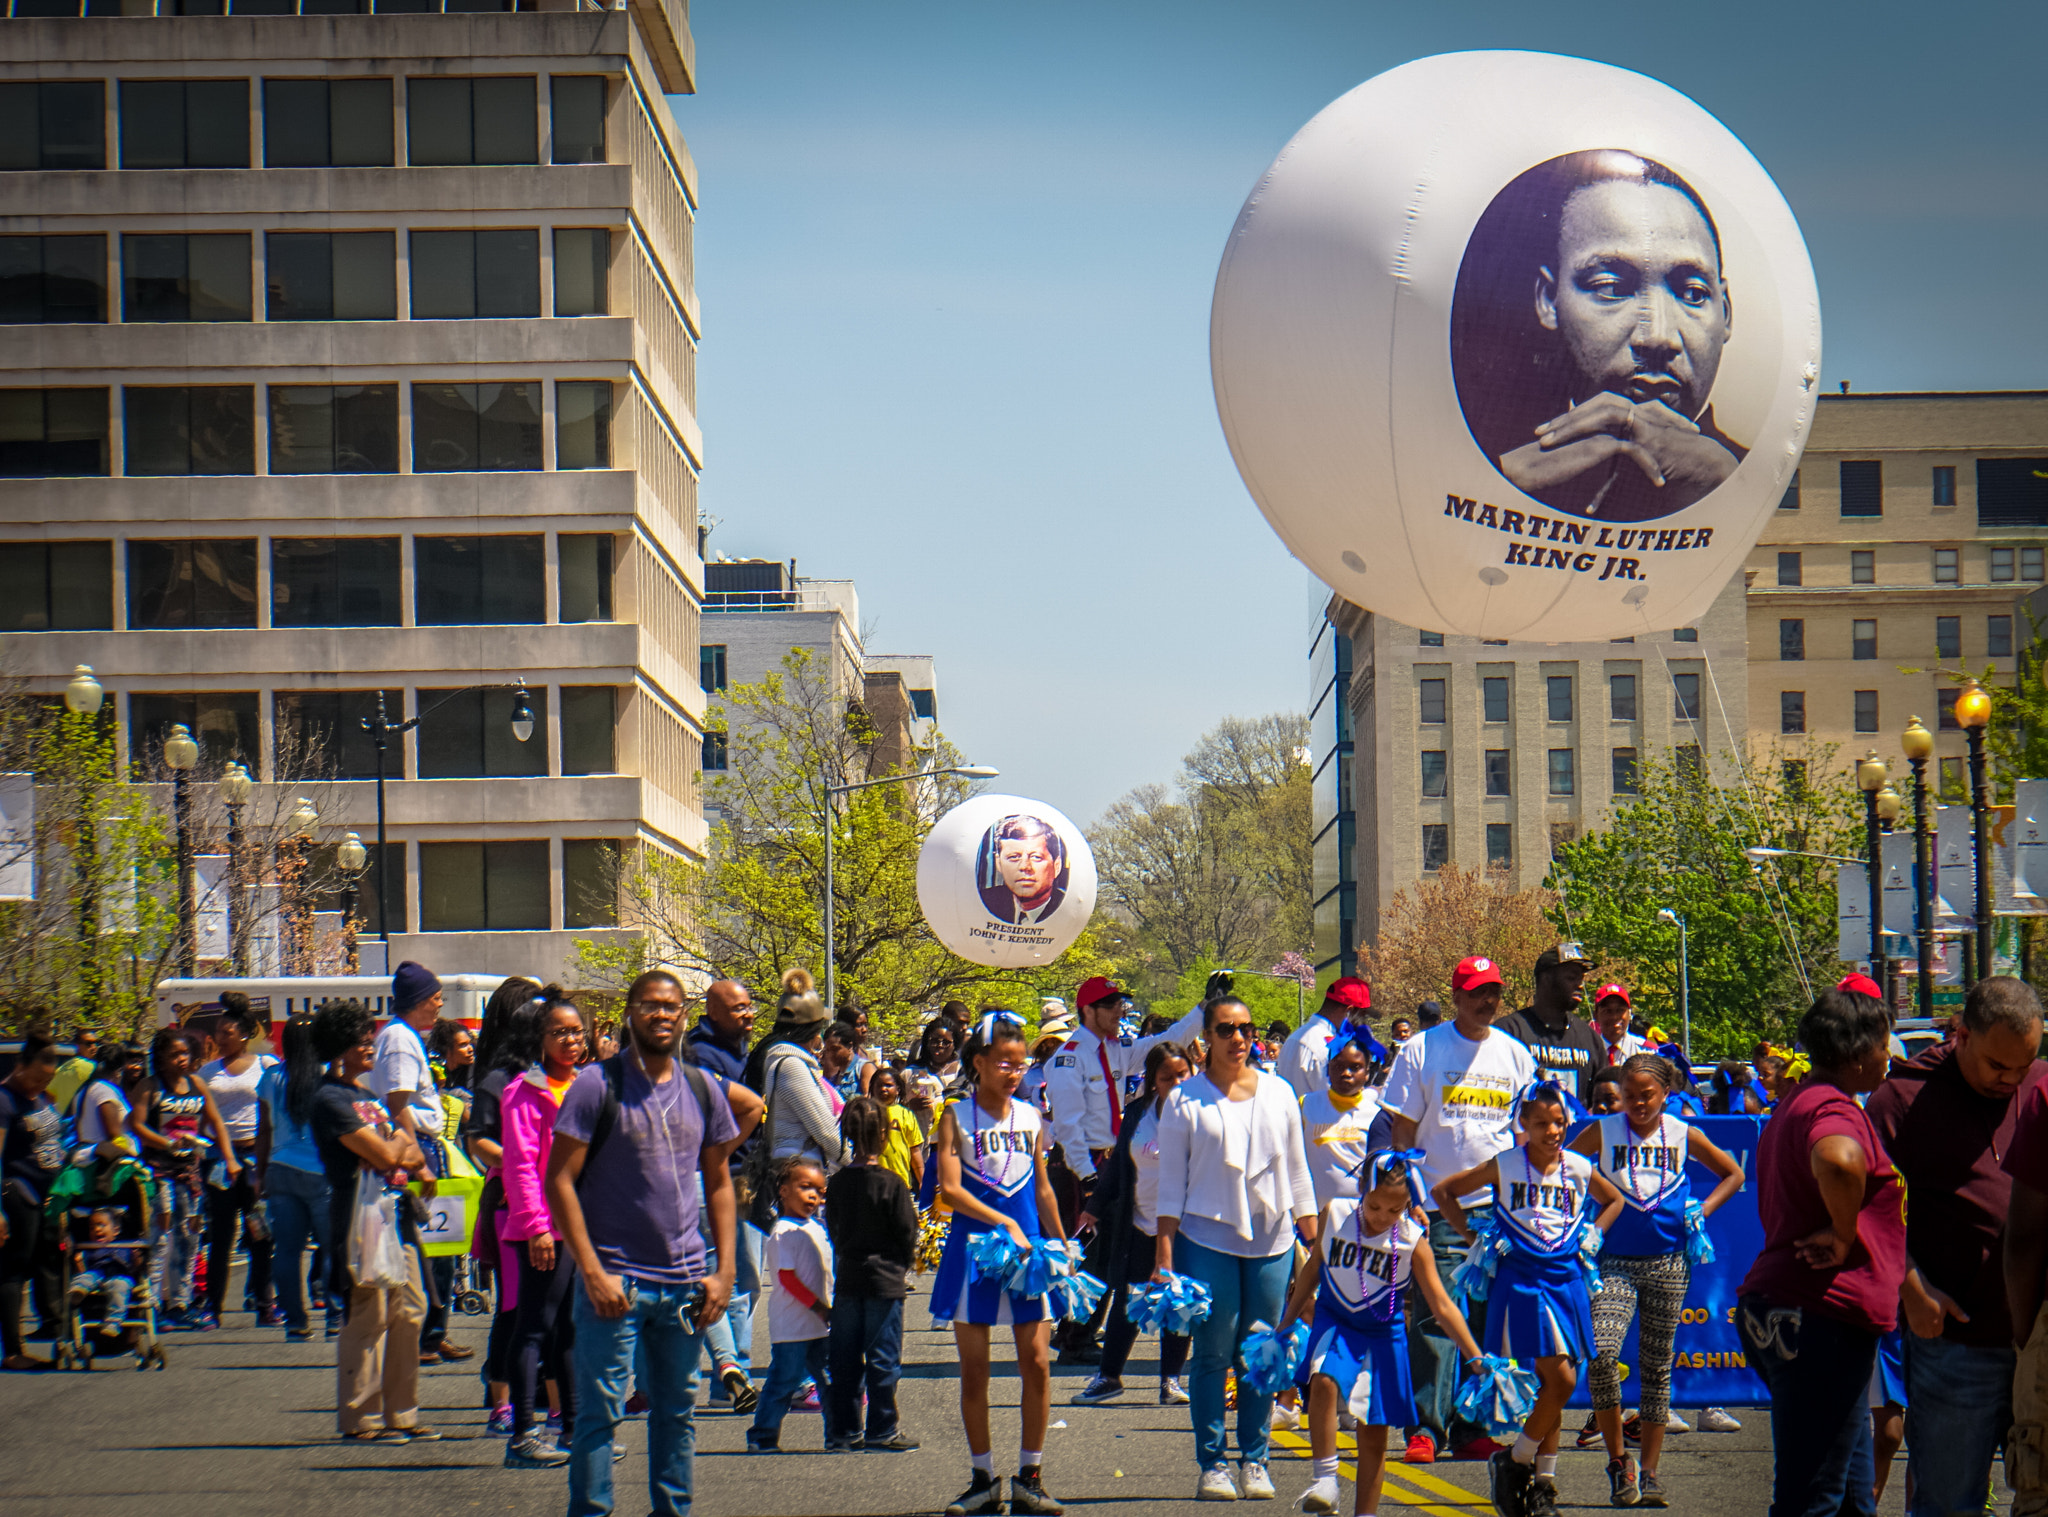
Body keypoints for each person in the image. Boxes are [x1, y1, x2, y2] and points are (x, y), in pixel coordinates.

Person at [544, 968, 741, 1517]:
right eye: (649, 1005)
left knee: (677, 1413)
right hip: (615, 1282)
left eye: (671, 1007)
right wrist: (591, 1271)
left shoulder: (701, 1087)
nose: (661, 1015)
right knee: (600, 1416)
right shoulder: (595, 1086)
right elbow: (557, 1179)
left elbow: (721, 1180)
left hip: (683, 1284)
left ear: (685, 1015)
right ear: (630, 1012)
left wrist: (724, 1271)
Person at [1468, 150, 1742, 522]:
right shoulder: (1481, 472)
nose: (1658, 337)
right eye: (1610, 287)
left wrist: (1734, 498)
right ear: (1549, 300)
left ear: (1724, 312)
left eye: (1693, 294)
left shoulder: (1752, 478)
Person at [1868, 975, 2046, 1517]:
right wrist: (1913, 1287)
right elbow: (1867, 1212)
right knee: (1948, 1502)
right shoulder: (1900, 1098)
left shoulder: (2037, 1087)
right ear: (1962, 1036)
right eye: (1998, 1065)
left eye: (2024, 1065)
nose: (2010, 1079)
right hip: (1955, 1340)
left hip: (2035, 1340)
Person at [1736, 986, 1905, 1517]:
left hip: (1797, 1311)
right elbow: (1839, 1160)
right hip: (1819, 1316)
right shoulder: (1832, 1108)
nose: (1890, 1055)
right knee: (1812, 1499)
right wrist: (1844, 1230)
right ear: (1857, 1052)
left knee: (1852, 1495)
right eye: (1884, 1044)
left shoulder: (1799, 1099)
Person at [1154, 993, 1319, 1502]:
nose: (1238, 1039)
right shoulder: (1185, 1100)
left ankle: (1255, 1460)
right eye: (1225, 1029)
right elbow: (1169, 1186)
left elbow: (1297, 1174)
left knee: (1261, 1351)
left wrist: (1312, 1244)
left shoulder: (1280, 1093)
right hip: (1205, 1238)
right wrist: (1164, 1256)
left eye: (1245, 1029)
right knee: (1213, 1352)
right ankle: (1212, 1464)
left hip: (1272, 1242)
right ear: (1205, 1039)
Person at [1436, 1083, 1624, 1517]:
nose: (1552, 1130)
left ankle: (1539, 1483)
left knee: (1552, 1388)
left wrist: (1595, 1233)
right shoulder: (1506, 1165)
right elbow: (1445, 1192)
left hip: (1567, 1280)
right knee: (1559, 1382)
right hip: (1522, 1281)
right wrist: (1475, 1239)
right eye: (1541, 1123)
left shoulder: (1578, 1167)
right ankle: (1521, 1464)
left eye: (1559, 1122)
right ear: (1522, 1124)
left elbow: (1613, 1200)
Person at [1568, 1053, 1745, 1507]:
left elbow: (1734, 1173)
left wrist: (1699, 1213)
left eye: (1646, 1095)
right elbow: (1564, 1169)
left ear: (1666, 1094)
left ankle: (1649, 1473)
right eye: (1629, 1096)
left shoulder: (1683, 1133)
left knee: (1656, 1366)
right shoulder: (1603, 1131)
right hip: (1612, 1263)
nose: (1637, 1104)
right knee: (1603, 1357)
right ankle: (1617, 1459)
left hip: (1669, 1262)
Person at [1382, 956, 1537, 1463]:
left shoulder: (1516, 1056)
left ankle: (1473, 1427)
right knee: (1434, 1319)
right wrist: (1411, 1200)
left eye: (1493, 991)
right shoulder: (1422, 1049)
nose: (1486, 1001)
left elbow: (1525, 1137)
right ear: (1456, 997)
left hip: (1500, 1212)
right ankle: (1427, 1429)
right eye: (1475, 993)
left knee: (1488, 1321)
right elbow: (1403, 1133)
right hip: (1437, 1208)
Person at [1278, 1151, 1485, 1516]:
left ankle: (1366, 1513)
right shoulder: (1336, 1214)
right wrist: (1286, 1322)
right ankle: (1325, 1477)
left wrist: (1475, 1356)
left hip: (1382, 1334)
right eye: (1374, 1207)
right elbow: (1313, 1268)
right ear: (1361, 1191)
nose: (1382, 1219)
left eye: (1395, 1211)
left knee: (1373, 1433)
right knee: (1323, 1378)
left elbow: (1442, 1304)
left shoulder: (1412, 1240)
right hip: (1336, 1320)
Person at [928, 1012, 1067, 1516]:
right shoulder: (955, 1117)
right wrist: (1001, 1222)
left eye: (1020, 1062)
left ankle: (1031, 1475)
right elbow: (949, 1190)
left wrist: (1061, 1243)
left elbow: (1043, 1187)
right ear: (979, 1063)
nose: (1013, 1071)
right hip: (975, 1252)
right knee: (976, 1369)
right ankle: (982, 1477)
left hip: (1027, 1252)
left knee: (1036, 1363)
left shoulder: (1030, 1118)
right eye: (1004, 1062)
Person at [1044, 975, 1202, 1362]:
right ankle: (1076, 1337)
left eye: (1121, 1003)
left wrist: (1205, 1008)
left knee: (1103, 1252)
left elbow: (1171, 1042)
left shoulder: (1115, 1048)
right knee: (1094, 1253)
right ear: (1088, 1010)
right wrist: (1089, 1176)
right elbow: (1068, 1126)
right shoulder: (1070, 1057)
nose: (1120, 1010)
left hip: (1111, 1160)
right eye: (1111, 1004)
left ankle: (1073, 1332)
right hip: (1085, 1163)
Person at [308, 998, 438, 1443]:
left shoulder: (367, 1097)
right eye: (362, 1042)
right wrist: (396, 1146)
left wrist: (397, 1148)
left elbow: (414, 1152)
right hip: (357, 1217)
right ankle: (360, 1417)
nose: (369, 1048)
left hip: (395, 1213)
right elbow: (390, 1151)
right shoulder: (328, 1098)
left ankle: (402, 1412)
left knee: (411, 1310)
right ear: (340, 1047)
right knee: (370, 1314)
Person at [1071, 1040, 1194, 1409]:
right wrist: (1094, 1206)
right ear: (1152, 1081)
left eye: (1182, 1075)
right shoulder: (1138, 1114)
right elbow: (1118, 1169)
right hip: (1138, 1220)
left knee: (1177, 1301)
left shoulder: (1202, 1114)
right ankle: (1108, 1377)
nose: (1175, 1082)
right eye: (1166, 1077)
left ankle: (1170, 1380)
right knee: (1128, 1299)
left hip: (1184, 1227)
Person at [500, 991, 590, 1469]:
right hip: (541, 1229)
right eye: (559, 1033)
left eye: (576, 1032)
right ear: (539, 1039)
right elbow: (519, 1167)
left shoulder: (587, 1085)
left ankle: (576, 1430)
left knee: (572, 1329)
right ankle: (522, 1435)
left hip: (579, 1227)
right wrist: (536, 1227)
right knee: (533, 1327)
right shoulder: (523, 1091)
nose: (571, 1041)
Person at [372, 959, 469, 1366]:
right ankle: (426, 1335)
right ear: (417, 1001)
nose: (440, 1005)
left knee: (442, 1247)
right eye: (434, 998)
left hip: (429, 1145)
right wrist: (417, 1162)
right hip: (420, 1148)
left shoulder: (407, 1036)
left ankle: (434, 1331)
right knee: (432, 1248)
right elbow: (397, 1104)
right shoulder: (397, 1038)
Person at [823, 1096, 920, 1452]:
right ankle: (883, 1428)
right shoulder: (892, 1183)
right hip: (886, 1279)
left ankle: (844, 1432)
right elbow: (906, 1231)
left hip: (849, 1275)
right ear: (884, 1133)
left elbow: (833, 1229)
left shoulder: (837, 1184)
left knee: (844, 1358)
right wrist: (903, 1263)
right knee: (883, 1357)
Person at [469, 975, 542, 1435]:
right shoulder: (498, 1078)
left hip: (551, 1201)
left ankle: (550, 1405)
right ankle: (503, 1400)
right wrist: (526, 1162)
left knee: (547, 1310)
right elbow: (480, 1140)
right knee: (513, 1307)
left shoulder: (556, 1075)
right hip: (510, 1201)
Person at [131, 1026, 236, 1330]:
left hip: (190, 1172)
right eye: (174, 1054)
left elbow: (215, 1122)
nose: (181, 1059)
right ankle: (149, 1303)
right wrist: (167, 1143)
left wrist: (229, 1158)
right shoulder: (150, 1087)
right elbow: (136, 1125)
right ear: (161, 1058)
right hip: (158, 1172)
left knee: (190, 1238)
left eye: (185, 1054)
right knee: (160, 1237)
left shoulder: (197, 1085)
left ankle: (179, 1302)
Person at [258, 1012, 340, 1341]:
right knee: (333, 1247)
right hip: (321, 1170)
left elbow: (263, 1130)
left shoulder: (270, 1077)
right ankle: (336, 1316)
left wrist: (259, 1174)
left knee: (287, 1250)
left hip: (280, 1170)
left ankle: (295, 1320)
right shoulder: (326, 1075)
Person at [199, 994, 280, 1325]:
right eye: (217, 1032)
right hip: (220, 1160)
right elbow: (201, 1118)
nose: (219, 1038)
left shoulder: (267, 1067)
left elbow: (276, 1113)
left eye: (226, 1032)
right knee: (221, 1236)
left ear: (245, 1034)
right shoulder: (206, 1072)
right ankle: (212, 1308)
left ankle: (264, 1302)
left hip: (256, 1158)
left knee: (260, 1232)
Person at [747, 1156, 835, 1452]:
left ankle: (838, 1435)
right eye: (805, 1187)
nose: (814, 1195)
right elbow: (787, 1279)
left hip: (818, 1327)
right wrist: (819, 1307)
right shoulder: (783, 1231)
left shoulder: (817, 1228)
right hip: (792, 1328)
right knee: (782, 1383)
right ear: (783, 1190)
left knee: (829, 1383)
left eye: (820, 1191)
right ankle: (763, 1435)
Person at [745, 969, 850, 1182]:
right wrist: (853, 1160)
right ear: (813, 1029)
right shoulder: (792, 1066)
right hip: (799, 1168)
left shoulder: (775, 1056)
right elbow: (824, 1131)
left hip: (791, 1165)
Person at [1, 1034, 66, 1370]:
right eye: (38, 1077)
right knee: (14, 1269)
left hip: (47, 1194)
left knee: (47, 1263)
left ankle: (58, 1332)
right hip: (17, 1192)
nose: (41, 1084)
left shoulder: (40, 1098)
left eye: (47, 1079)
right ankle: (12, 1350)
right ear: (20, 1067)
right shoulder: (4, 1100)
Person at [1495, 943, 1607, 1106]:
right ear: (1546, 978)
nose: (1580, 985)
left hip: (1576, 1131)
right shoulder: (1508, 1033)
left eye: (1581, 978)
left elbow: (1604, 1100)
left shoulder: (1590, 1039)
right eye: (1571, 977)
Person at [1300, 1032, 1385, 1212]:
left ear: (1367, 1073)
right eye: (1338, 1066)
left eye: (1355, 1067)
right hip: (1313, 1213)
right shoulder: (1306, 1104)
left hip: (1356, 1216)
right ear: (1328, 1069)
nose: (1346, 1073)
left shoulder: (1376, 1115)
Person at [1277, 977, 1375, 1100]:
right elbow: (1336, 1099)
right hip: (1318, 1118)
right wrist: (1373, 1092)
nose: (1362, 1022)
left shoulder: (1294, 1037)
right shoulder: (1329, 1046)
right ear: (1349, 1011)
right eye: (1362, 1015)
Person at [977, 813, 1068, 925]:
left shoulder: (1068, 908)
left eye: (1036, 857)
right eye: (1014, 857)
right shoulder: (981, 902)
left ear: (1056, 866)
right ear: (998, 863)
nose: (1025, 867)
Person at [68, 1206, 143, 1342]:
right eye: (92, 1227)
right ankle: (78, 1291)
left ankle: (113, 1322)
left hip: (119, 1274)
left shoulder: (124, 1247)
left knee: (119, 1286)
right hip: (96, 1274)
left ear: (115, 1230)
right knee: (85, 1277)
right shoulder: (90, 1248)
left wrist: (137, 1259)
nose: (97, 1230)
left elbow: (134, 1270)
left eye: (101, 1225)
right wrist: (78, 1262)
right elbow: (82, 1270)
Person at [867, 1066, 927, 1199]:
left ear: (898, 1089)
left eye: (888, 1085)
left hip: (900, 1183)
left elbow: (915, 1151)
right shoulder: (867, 1113)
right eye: (879, 1085)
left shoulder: (906, 1114)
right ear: (872, 1088)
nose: (883, 1089)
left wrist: (922, 1179)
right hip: (871, 1183)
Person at [905, 1017, 964, 1135]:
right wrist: (909, 1105)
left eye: (946, 1042)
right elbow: (893, 1107)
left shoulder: (963, 1072)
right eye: (934, 1041)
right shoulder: (911, 1072)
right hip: (919, 1138)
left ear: (955, 1044)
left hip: (954, 1136)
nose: (940, 1045)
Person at [1590, 986, 1649, 1071]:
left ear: (1629, 1014)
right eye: (1607, 1011)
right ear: (1596, 1016)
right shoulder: (1587, 1052)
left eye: (1620, 1010)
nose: (1614, 1017)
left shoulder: (1646, 1052)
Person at [45, 1027, 97, 1118]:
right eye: (89, 1044)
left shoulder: (62, 1069)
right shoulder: (94, 1068)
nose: (93, 1047)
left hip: (65, 1124)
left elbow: (49, 1096)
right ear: (78, 1045)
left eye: (96, 1043)